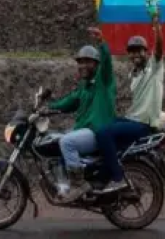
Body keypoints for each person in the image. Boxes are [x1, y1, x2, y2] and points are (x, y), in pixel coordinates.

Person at [93, 8, 165, 195]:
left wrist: (156, 24)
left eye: (139, 51)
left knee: (103, 133)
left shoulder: (154, 69)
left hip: (143, 124)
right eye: (131, 52)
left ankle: (117, 178)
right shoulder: (133, 75)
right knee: (101, 126)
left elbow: (159, 49)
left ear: (145, 52)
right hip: (132, 119)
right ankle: (100, 177)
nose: (135, 55)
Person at [46, 27, 116, 202]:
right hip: (85, 128)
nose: (83, 65)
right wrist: (48, 108)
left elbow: (107, 62)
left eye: (87, 62)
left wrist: (101, 42)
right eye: (80, 62)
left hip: (97, 131)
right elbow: (70, 101)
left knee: (67, 142)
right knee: (55, 138)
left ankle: (78, 184)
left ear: (96, 64)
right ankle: (64, 183)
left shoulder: (103, 80)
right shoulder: (84, 85)